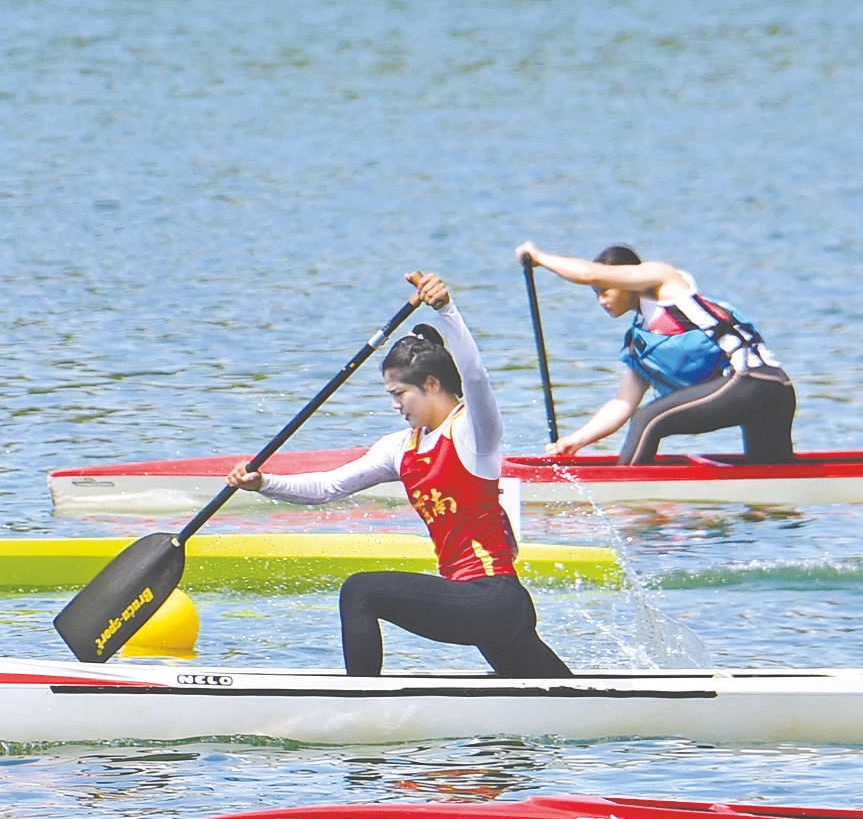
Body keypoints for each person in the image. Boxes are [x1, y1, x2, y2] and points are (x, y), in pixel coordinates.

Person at [228, 271, 572, 679]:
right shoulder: (400, 448)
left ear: (431, 383)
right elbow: (327, 487)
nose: (395, 405)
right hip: (479, 607)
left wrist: (447, 309)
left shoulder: (473, 434)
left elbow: (476, 377)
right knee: (561, 702)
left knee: (360, 592)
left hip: (491, 597)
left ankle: (361, 702)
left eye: (399, 394)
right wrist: (264, 483)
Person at [515, 241, 795, 465]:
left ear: (626, 280)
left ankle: (623, 502)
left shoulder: (666, 283)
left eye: (604, 290)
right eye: (595, 293)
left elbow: (589, 272)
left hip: (753, 383)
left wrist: (539, 257)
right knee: (772, 487)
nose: (601, 300)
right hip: (767, 396)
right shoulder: (642, 342)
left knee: (648, 419)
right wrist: (575, 441)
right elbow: (622, 404)